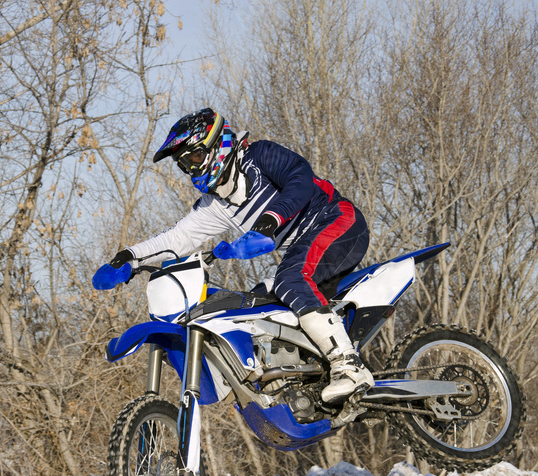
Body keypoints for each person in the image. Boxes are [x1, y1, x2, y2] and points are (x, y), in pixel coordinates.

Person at [104, 108, 373, 403]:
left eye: (193, 158)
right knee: (257, 303)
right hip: (304, 248)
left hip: (337, 221)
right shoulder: (215, 204)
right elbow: (178, 238)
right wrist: (129, 256)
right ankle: (305, 375)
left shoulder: (259, 156)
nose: (191, 169)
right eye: (184, 165)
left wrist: (269, 223)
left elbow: (300, 179)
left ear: (216, 145)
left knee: (291, 278)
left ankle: (348, 364)